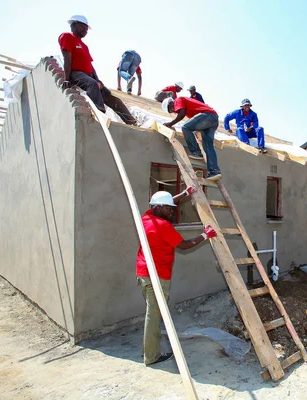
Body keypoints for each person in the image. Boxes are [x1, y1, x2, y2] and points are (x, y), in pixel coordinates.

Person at [137, 189, 217, 366]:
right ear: (158, 208)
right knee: (154, 316)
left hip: (144, 274)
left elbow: (163, 201)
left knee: (153, 314)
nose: (172, 211)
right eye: (169, 209)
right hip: (157, 277)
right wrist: (205, 235)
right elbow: (184, 245)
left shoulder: (145, 218)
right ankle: (151, 356)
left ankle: (148, 351)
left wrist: (183, 194)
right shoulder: (163, 226)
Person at [58, 15, 137, 125]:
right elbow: (67, 57)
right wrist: (67, 79)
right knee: (92, 84)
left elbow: (90, 66)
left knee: (110, 96)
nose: (85, 31)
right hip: (76, 74)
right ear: (74, 25)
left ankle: (131, 121)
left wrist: (98, 80)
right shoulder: (67, 36)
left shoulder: (84, 46)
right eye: (83, 27)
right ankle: (100, 114)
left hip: (89, 75)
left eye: (87, 29)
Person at [162, 97, 222, 181]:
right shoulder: (188, 109)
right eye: (171, 111)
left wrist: (170, 124)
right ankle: (214, 171)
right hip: (213, 119)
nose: (173, 111)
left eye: (171, 109)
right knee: (208, 146)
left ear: (171, 103)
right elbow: (197, 121)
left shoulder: (178, 100)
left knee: (185, 128)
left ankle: (196, 152)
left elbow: (182, 114)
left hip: (208, 116)